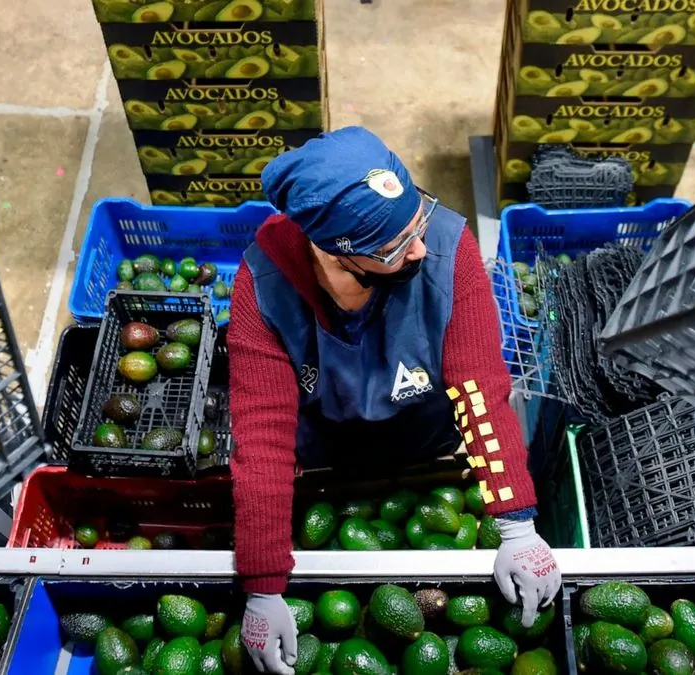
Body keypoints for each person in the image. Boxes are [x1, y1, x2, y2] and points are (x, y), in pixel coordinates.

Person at [228, 126, 561, 675]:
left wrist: (516, 524)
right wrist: (263, 585)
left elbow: (481, 388)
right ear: (337, 253)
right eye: (395, 246)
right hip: (329, 453)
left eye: (418, 222)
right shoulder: (263, 289)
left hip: (426, 436)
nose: (420, 249)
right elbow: (262, 442)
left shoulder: (450, 255)